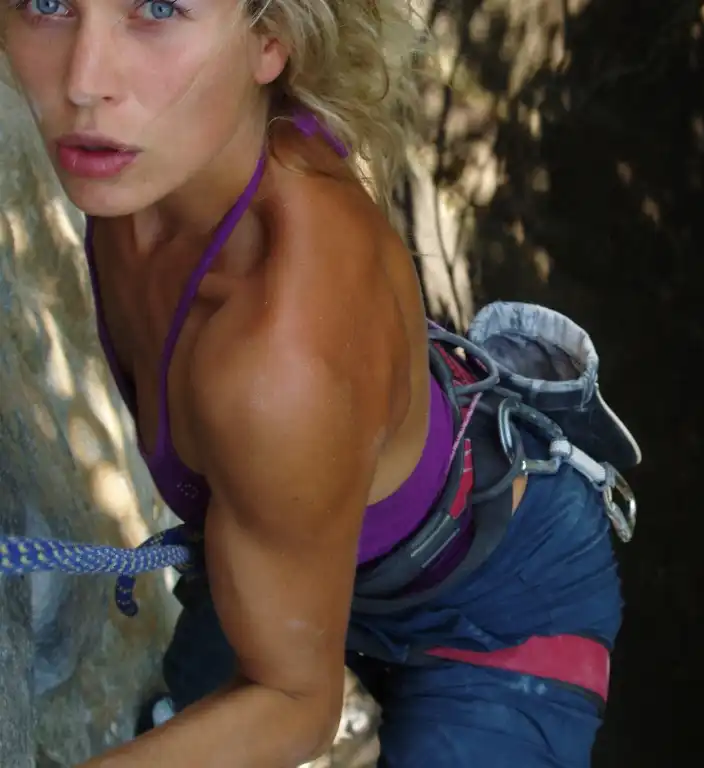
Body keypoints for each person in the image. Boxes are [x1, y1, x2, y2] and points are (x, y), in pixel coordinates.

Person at [1, 0, 641, 765]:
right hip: (298, 524)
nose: (84, 80)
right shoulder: (152, 161)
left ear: (270, 40)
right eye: (47, 2)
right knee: (189, 703)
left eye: (160, 7)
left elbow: (293, 704)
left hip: (500, 615)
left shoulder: (278, 357)